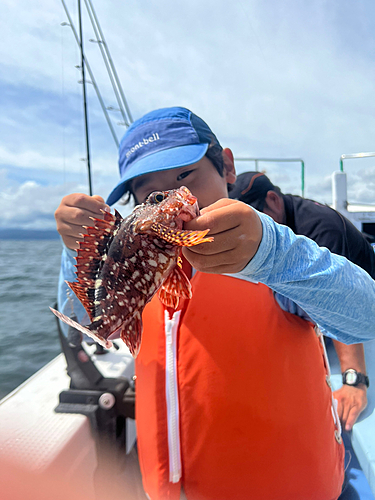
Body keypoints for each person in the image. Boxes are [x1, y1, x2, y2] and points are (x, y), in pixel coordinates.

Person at [55, 107, 375, 500]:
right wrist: (77, 253)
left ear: (226, 166)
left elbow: (365, 317)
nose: (177, 197)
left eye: (185, 176)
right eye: (150, 194)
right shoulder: (135, 276)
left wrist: (275, 255)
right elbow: (82, 324)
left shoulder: (271, 259)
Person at [229, 170, 374, 433]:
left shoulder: (321, 229)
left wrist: (354, 381)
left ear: (272, 200)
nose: (246, 232)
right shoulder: (286, 213)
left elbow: (338, 300)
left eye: (253, 220)